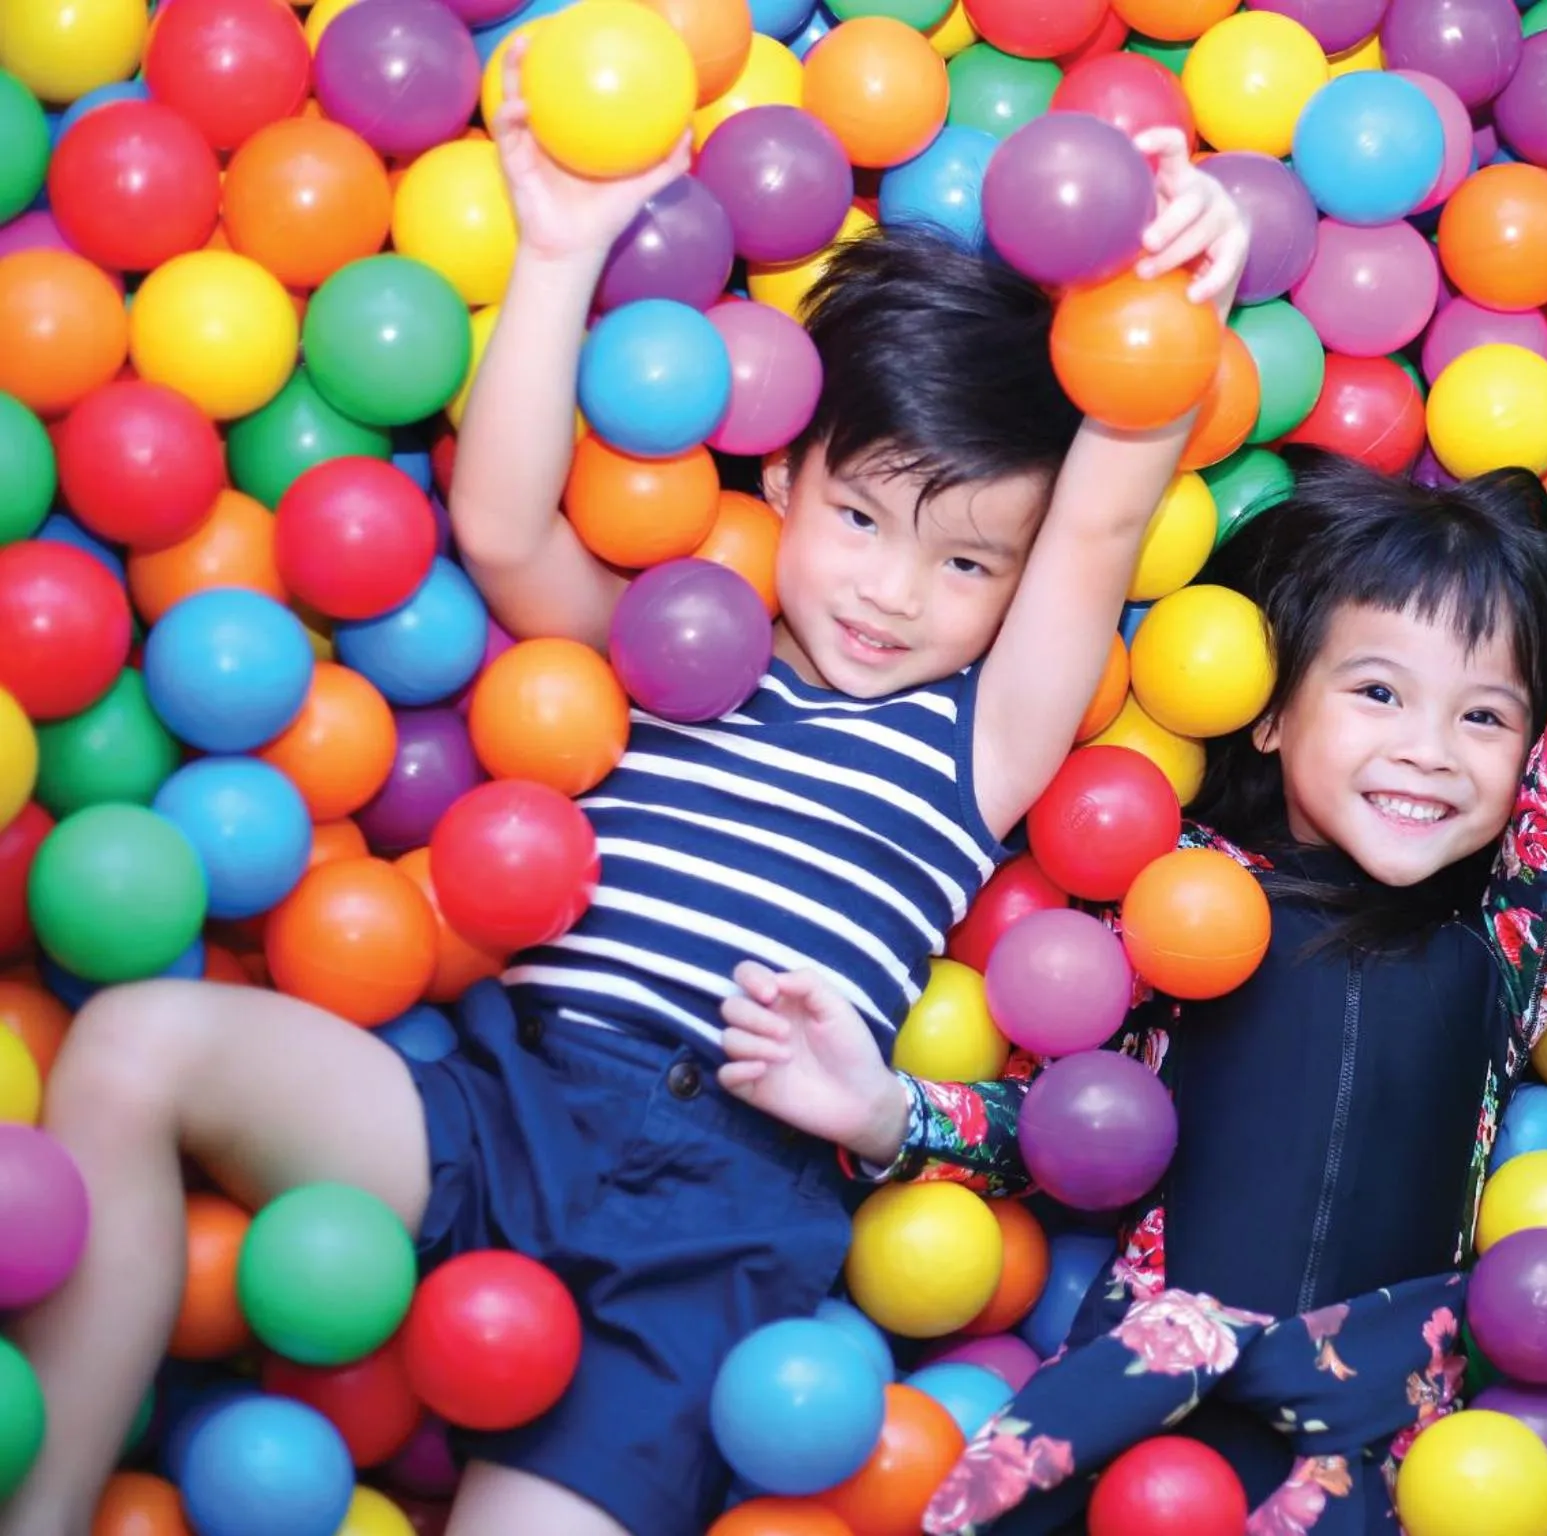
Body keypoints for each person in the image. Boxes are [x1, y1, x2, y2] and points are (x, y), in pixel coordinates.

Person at [0, 40, 1250, 1536]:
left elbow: (1103, 524)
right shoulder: (684, 652)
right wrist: (557, 250)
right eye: (861, 518)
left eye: (968, 561)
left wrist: (1169, 307)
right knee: (134, 1043)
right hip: (507, 1099)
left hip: (716, 1216)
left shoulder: (981, 740)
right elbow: (503, 529)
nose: (895, 593)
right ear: (780, 478)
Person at [711, 328, 1547, 1532]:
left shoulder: (1507, 946)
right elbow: (1071, 1127)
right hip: (1149, 1406)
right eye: (1376, 693)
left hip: (1368, 1439)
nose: (1427, 749)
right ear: (1267, 716)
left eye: (1482, 717)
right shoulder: (1180, 906)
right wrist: (883, 1113)